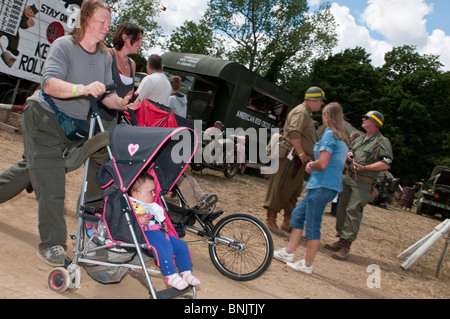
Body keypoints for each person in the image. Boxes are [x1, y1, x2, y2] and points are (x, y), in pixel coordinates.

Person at [10, 0, 138, 267]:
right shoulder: (64, 46)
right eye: (102, 22)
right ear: (86, 19)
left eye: (109, 23)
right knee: (53, 185)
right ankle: (52, 245)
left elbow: (107, 96)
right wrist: (82, 88)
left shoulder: (104, 56)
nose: (107, 28)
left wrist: (122, 103)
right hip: (43, 119)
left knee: (31, 171)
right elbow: (50, 83)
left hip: (73, 127)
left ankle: (39, 176)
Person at [273, 102, 349, 274]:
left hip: (322, 185)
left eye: (323, 114)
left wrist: (310, 165)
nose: (322, 117)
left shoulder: (330, 135)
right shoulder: (342, 138)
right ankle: (289, 252)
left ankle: (307, 265)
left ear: (328, 116)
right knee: (298, 216)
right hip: (324, 185)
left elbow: (322, 163)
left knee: (313, 226)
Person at [325, 110, 393, 261]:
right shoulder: (360, 139)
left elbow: (386, 164)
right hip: (349, 179)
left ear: (375, 123)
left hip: (363, 183)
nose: (363, 119)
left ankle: (346, 246)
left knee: (353, 211)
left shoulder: (382, 142)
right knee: (342, 209)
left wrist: (365, 168)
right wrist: (349, 155)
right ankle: (341, 239)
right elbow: (351, 151)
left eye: (366, 118)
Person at [263, 87, 326, 236]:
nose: (322, 104)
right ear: (313, 100)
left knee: (293, 190)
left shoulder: (306, 114)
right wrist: (301, 152)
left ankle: (287, 221)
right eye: (321, 100)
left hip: (298, 159)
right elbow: (293, 132)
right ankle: (270, 220)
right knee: (280, 186)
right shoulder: (301, 112)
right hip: (292, 157)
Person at [128, 172, 201, 290]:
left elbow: (159, 219)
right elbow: (123, 221)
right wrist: (137, 220)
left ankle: (186, 272)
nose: (154, 194)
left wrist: (163, 225)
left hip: (159, 233)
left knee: (181, 245)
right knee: (164, 245)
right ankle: (170, 275)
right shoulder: (130, 204)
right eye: (150, 192)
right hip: (145, 234)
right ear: (136, 194)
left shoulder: (152, 205)